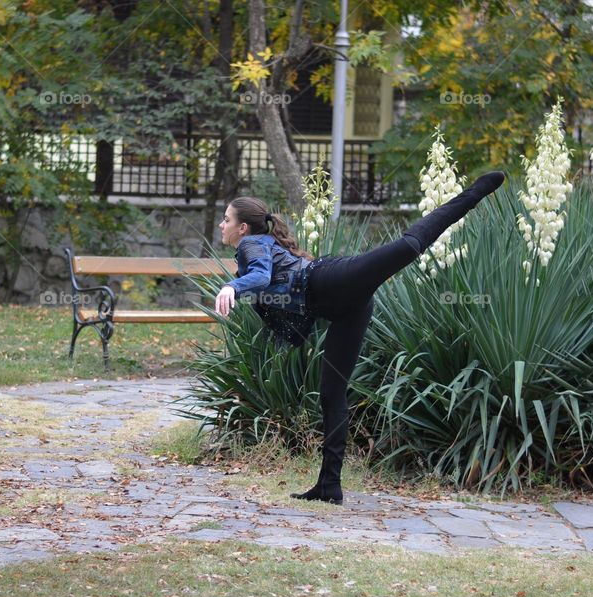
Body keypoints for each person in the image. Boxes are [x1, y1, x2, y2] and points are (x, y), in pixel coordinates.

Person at [215, 171, 506, 504]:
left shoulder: (252, 245)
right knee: (331, 393)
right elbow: (266, 281)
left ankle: (476, 192)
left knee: (410, 245)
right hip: (347, 309)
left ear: (243, 228)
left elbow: (261, 275)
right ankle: (329, 486)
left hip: (335, 280)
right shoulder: (255, 248)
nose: (221, 225)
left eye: (226, 219)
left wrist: (231, 287)